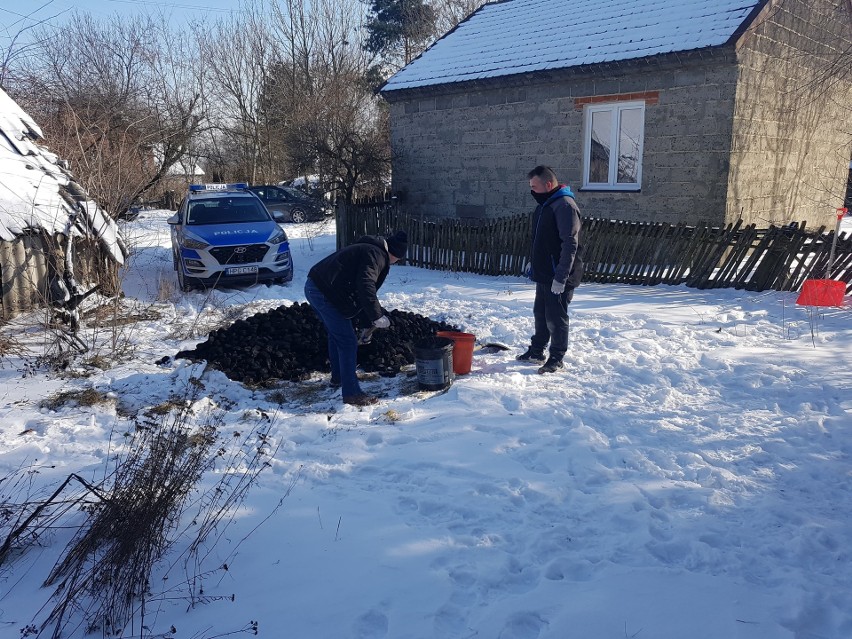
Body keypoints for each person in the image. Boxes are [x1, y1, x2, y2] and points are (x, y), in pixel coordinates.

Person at [305, 230, 408, 406]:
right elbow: (365, 284)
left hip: (316, 286)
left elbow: (358, 290)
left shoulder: (369, 249)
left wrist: (368, 321)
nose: (396, 262)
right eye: (398, 259)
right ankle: (352, 393)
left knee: (336, 335)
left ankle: (338, 378)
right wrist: (376, 316)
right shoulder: (376, 255)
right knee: (348, 342)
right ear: (394, 254)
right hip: (323, 292)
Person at [517, 165, 583, 374]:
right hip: (545, 273)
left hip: (560, 275)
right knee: (541, 313)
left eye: (534, 187)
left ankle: (556, 357)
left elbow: (569, 244)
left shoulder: (564, 206)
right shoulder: (545, 205)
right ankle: (537, 351)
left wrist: (561, 277)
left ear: (548, 184)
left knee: (556, 317)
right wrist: (533, 262)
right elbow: (541, 240)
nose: (532, 191)